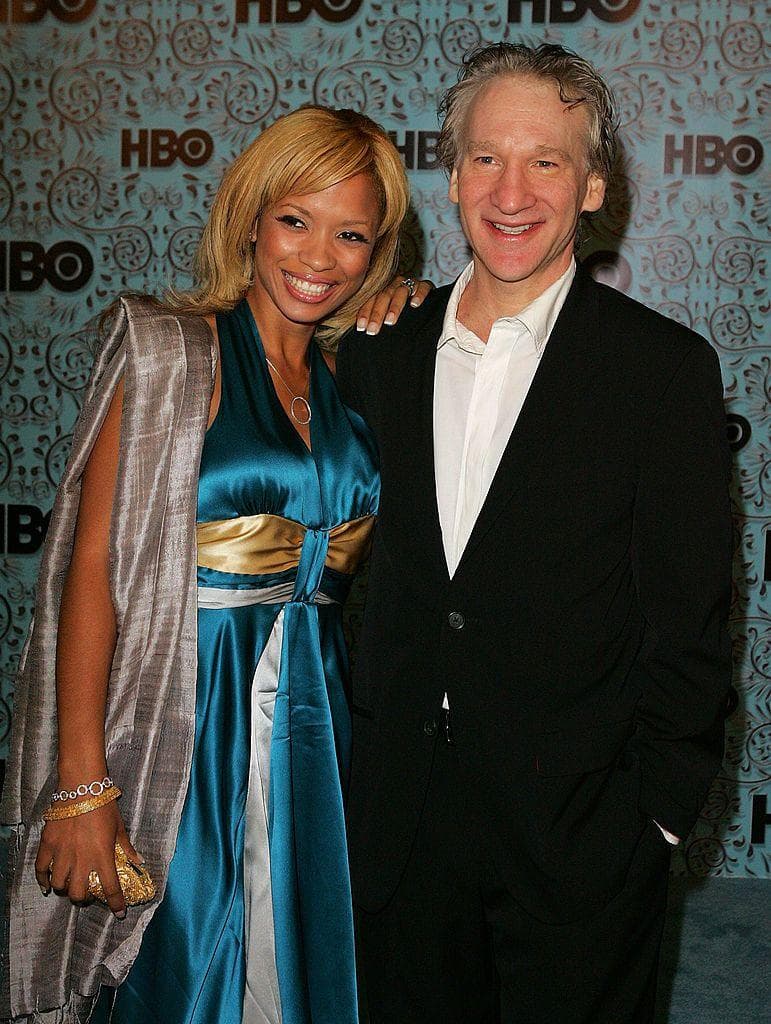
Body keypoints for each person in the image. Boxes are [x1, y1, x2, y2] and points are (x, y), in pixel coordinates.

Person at [0, 105, 428, 1023]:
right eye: (295, 220)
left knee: (297, 961)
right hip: (183, 718)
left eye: (351, 234)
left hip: (317, 728)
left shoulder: (356, 380)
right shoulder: (170, 351)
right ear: (250, 219)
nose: (319, 257)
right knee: (182, 964)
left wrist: (418, 301)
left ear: (377, 252)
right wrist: (81, 786)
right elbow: (91, 571)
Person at [336, 43, 733, 1024]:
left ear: (592, 185)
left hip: (581, 841)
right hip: (397, 826)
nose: (510, 193)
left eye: (545, 161)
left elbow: (689, 622)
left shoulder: (662, 372)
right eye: (485, 158)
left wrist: (654, 820)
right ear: (451, 176)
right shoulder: (378, 351)